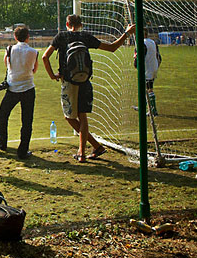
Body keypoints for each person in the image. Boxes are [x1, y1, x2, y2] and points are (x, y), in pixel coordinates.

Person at [42, 14, 135, 162]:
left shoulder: (61, 36)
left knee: (69, 117)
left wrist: (53, 75)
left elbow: (45, 57)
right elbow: (112, 48)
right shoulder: (86, 36)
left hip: (68, 82)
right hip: (85, 80)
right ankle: (93, 148)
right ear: (81, 24)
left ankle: (84, 151)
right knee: (82, 116)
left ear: (67, 24)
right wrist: (127, 33)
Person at [0, 26, 39, 159]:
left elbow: (7, 65)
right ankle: (23, 150)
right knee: (27, 121)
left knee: (3, 115)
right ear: (28, 37)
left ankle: (2, 143)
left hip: (13, 88)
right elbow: (34, 70)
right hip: (28, 88)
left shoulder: (9, 49)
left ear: (15, 37)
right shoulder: (34, 52)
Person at [134, 28, 162, 117]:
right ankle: (143, 106)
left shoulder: (141, 43)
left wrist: (136, 65)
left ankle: (153, 110)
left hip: (147, 69)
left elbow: (138, 58)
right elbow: (159, 56)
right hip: (154, 67)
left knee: (149, 89)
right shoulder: (152, 42)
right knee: (146, 88)